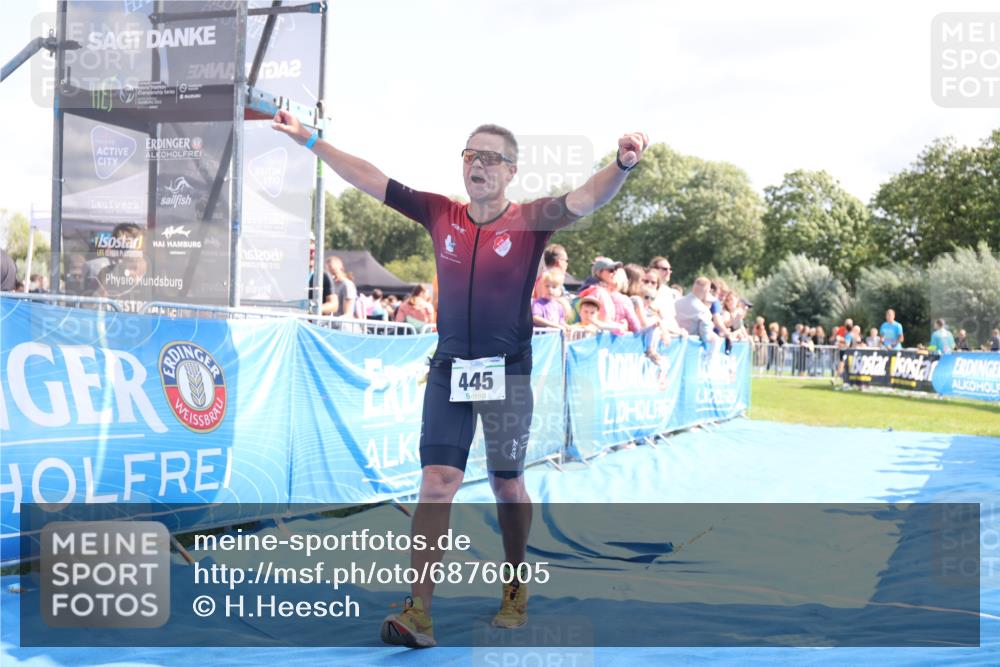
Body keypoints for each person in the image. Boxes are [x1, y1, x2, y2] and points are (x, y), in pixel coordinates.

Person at [273, 111, 647, 648]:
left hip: (508, 371)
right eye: (470, 154)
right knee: (437, 480)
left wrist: (623, 164)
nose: (477, 164)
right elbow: (367, 177)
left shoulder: (531, 218)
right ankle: (418, 611)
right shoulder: (439, 212)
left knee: (505, 483)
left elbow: (587, 198)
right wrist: (312, 140)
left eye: (490, 157)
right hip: (450, 370)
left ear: (511, 170)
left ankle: (515, 582)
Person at [674, 277, 716, 342]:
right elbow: (705, 337)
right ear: (707, 290)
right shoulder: (704, 310)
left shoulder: (676, 302)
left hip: (674, 342)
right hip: (692, 346)